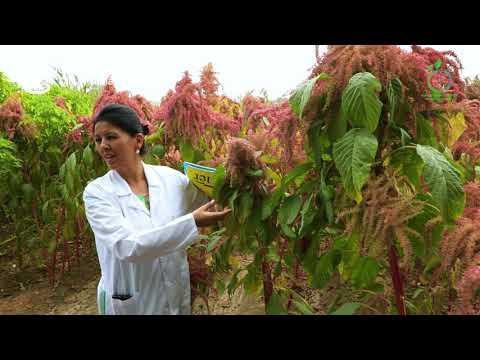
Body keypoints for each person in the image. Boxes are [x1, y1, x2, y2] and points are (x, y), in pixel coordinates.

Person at [82, 103, 230, 315]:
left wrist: (234, 184)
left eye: (111, 137)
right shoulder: (97, 193)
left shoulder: (173, 180)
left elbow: (212, 202)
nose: (103, 145)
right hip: (130, 301)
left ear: (138, 140)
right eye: (98, 140)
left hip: (174, 292)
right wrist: (192, 222)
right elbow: (126, 246)